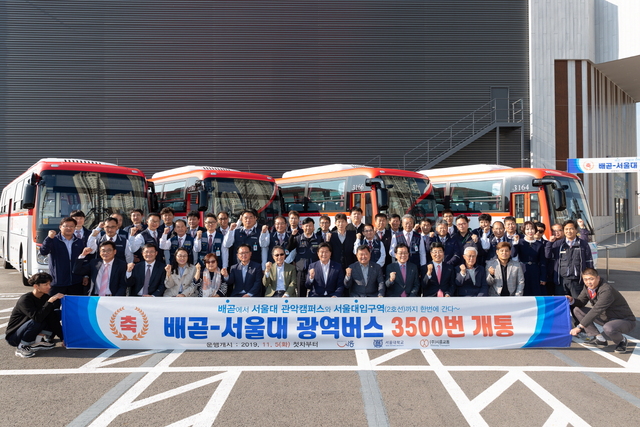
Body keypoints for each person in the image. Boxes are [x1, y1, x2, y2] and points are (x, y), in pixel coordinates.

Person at [569, 268, 635, 353]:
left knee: (608, 328)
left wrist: (579, 327)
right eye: (585, 279)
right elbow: (581, 302)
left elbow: (597, 310)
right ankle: (600, 339)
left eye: (591, 279)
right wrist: (572, 300)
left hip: (624, 320)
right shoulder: (588, 288)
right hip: (606, 318)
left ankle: (621, 341)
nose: (588, 282)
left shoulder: (606, 290)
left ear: (598, 278)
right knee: (577, 310)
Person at [5, 272, 62, 358]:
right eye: (45, 284)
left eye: (49, 284)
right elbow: (37, 317)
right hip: (15, 337)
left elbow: (52, 319)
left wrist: (63, 338)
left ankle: (36, 342)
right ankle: (22, 347)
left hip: (31, 327)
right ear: (36, 286)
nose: (49, 287)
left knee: (56, 313)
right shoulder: (25, 300)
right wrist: (50, 302)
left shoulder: (45, 297)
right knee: (37, 321)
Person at [545, 219, 593, 299]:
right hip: (561, 281)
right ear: (564, 231)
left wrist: (590, 277)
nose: (569, 231)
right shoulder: (558, 244)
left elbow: (589, 261)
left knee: (577, 304)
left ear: (576, 230)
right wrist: (549, 243)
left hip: (577, 281)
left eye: (571, 229)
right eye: (566, 229)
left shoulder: (583, 244)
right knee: (561, 305)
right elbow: (547, 255)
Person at [39, 217, 86, 296]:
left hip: (76, 282)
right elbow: (43, 252)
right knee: (53, 306)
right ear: (60, 227)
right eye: (66, 226)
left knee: (74, 307)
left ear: (75, 228)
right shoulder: (53, 240)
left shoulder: (79, 241)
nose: (69, 228)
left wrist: (85, 275)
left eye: (71, 226)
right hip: (58, 282)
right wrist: (49, 238)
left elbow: (84, 259)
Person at [288, 217, 321, 297]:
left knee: (315, 293)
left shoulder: (319, 239)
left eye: (310, 226)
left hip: (314, 271)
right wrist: (292, 236)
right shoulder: (297, 238)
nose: (308, 228)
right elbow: (288, 248)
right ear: (302, 227)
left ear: (314, 227)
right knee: (300, 295)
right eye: (306, 226)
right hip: (301, 271)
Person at [512, 221, 546, 296]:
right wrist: (515, 243)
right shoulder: (520, 242)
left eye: (532, 229)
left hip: (535, 270)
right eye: (527, 229)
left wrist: (543, 277)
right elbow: (513, 254)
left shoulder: (539, 244)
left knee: (535, 291)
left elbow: (542, 261)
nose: (530, 231)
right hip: (522, 269)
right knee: (523, 290)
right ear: (523, 230)